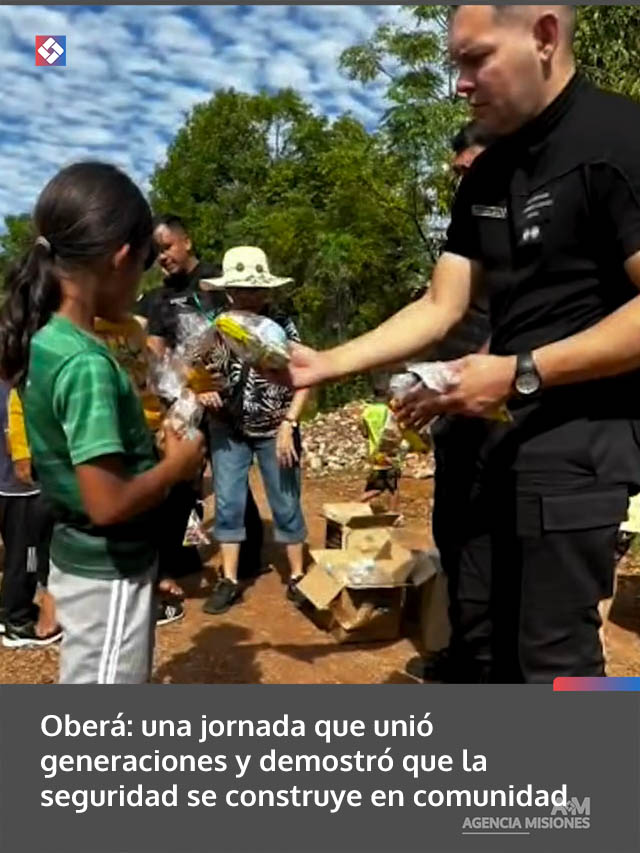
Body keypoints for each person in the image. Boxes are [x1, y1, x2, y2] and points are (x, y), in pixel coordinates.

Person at [284, 5, 640, 683]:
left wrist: (520, 374)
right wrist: (326, 362)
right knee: (476, 643)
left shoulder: (619, 141)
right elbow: (440, 304)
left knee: (555, 665)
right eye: (457, 63)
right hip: (483, 452)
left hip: (573, 455)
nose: (460, 84)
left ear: (543, 36)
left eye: (475, 58)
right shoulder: (485, 174)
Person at [0, 162, 204, 683]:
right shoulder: (88, 363)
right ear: (120, 260)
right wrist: (176, 465)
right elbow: (107, 502)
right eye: (142, 265)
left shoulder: (46, 341)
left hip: (78, 554)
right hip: (109, 570)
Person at [407, 122, 495, 682]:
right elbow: (434, 306)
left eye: (471, 168)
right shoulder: (468, 236)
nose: (461, 179)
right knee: (453, 532)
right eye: (458, 172)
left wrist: (455, 384)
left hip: (506, 417)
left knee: (492, 543)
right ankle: (469, 651)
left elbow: (516, 330)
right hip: (457, 415)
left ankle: (490, 660)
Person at [147, 215, 266, 582]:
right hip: (183, 396)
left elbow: (247, 330)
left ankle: (247, 559)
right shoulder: (158, 298)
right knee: (181, 480)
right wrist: (177, 387)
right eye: (156, 252)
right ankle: (182, 556)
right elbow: (155, 352)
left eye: (166, 247)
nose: (162, 257)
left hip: (228, 394)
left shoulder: (217, 282)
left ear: (187, 242)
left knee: (231, 477)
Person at [200, 246, 309, 613]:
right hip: (227, 430)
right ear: (229, 290)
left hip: (276, 427)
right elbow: (195, 371)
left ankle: (297, 577)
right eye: (242, 289)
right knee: (229, 503)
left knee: (286, 502)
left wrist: (289, 424)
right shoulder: (216, 326)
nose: (249, 296)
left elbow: (307, 378)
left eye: (256, 288)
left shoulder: (283, 327)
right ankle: (229, 579)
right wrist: (202, 390)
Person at [0, 381, 60, 648]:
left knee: (19, 556)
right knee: (26, 557)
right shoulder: (15, 389)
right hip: (20, 491)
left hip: (9, 489)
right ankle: (18, 619)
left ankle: (9, 612)